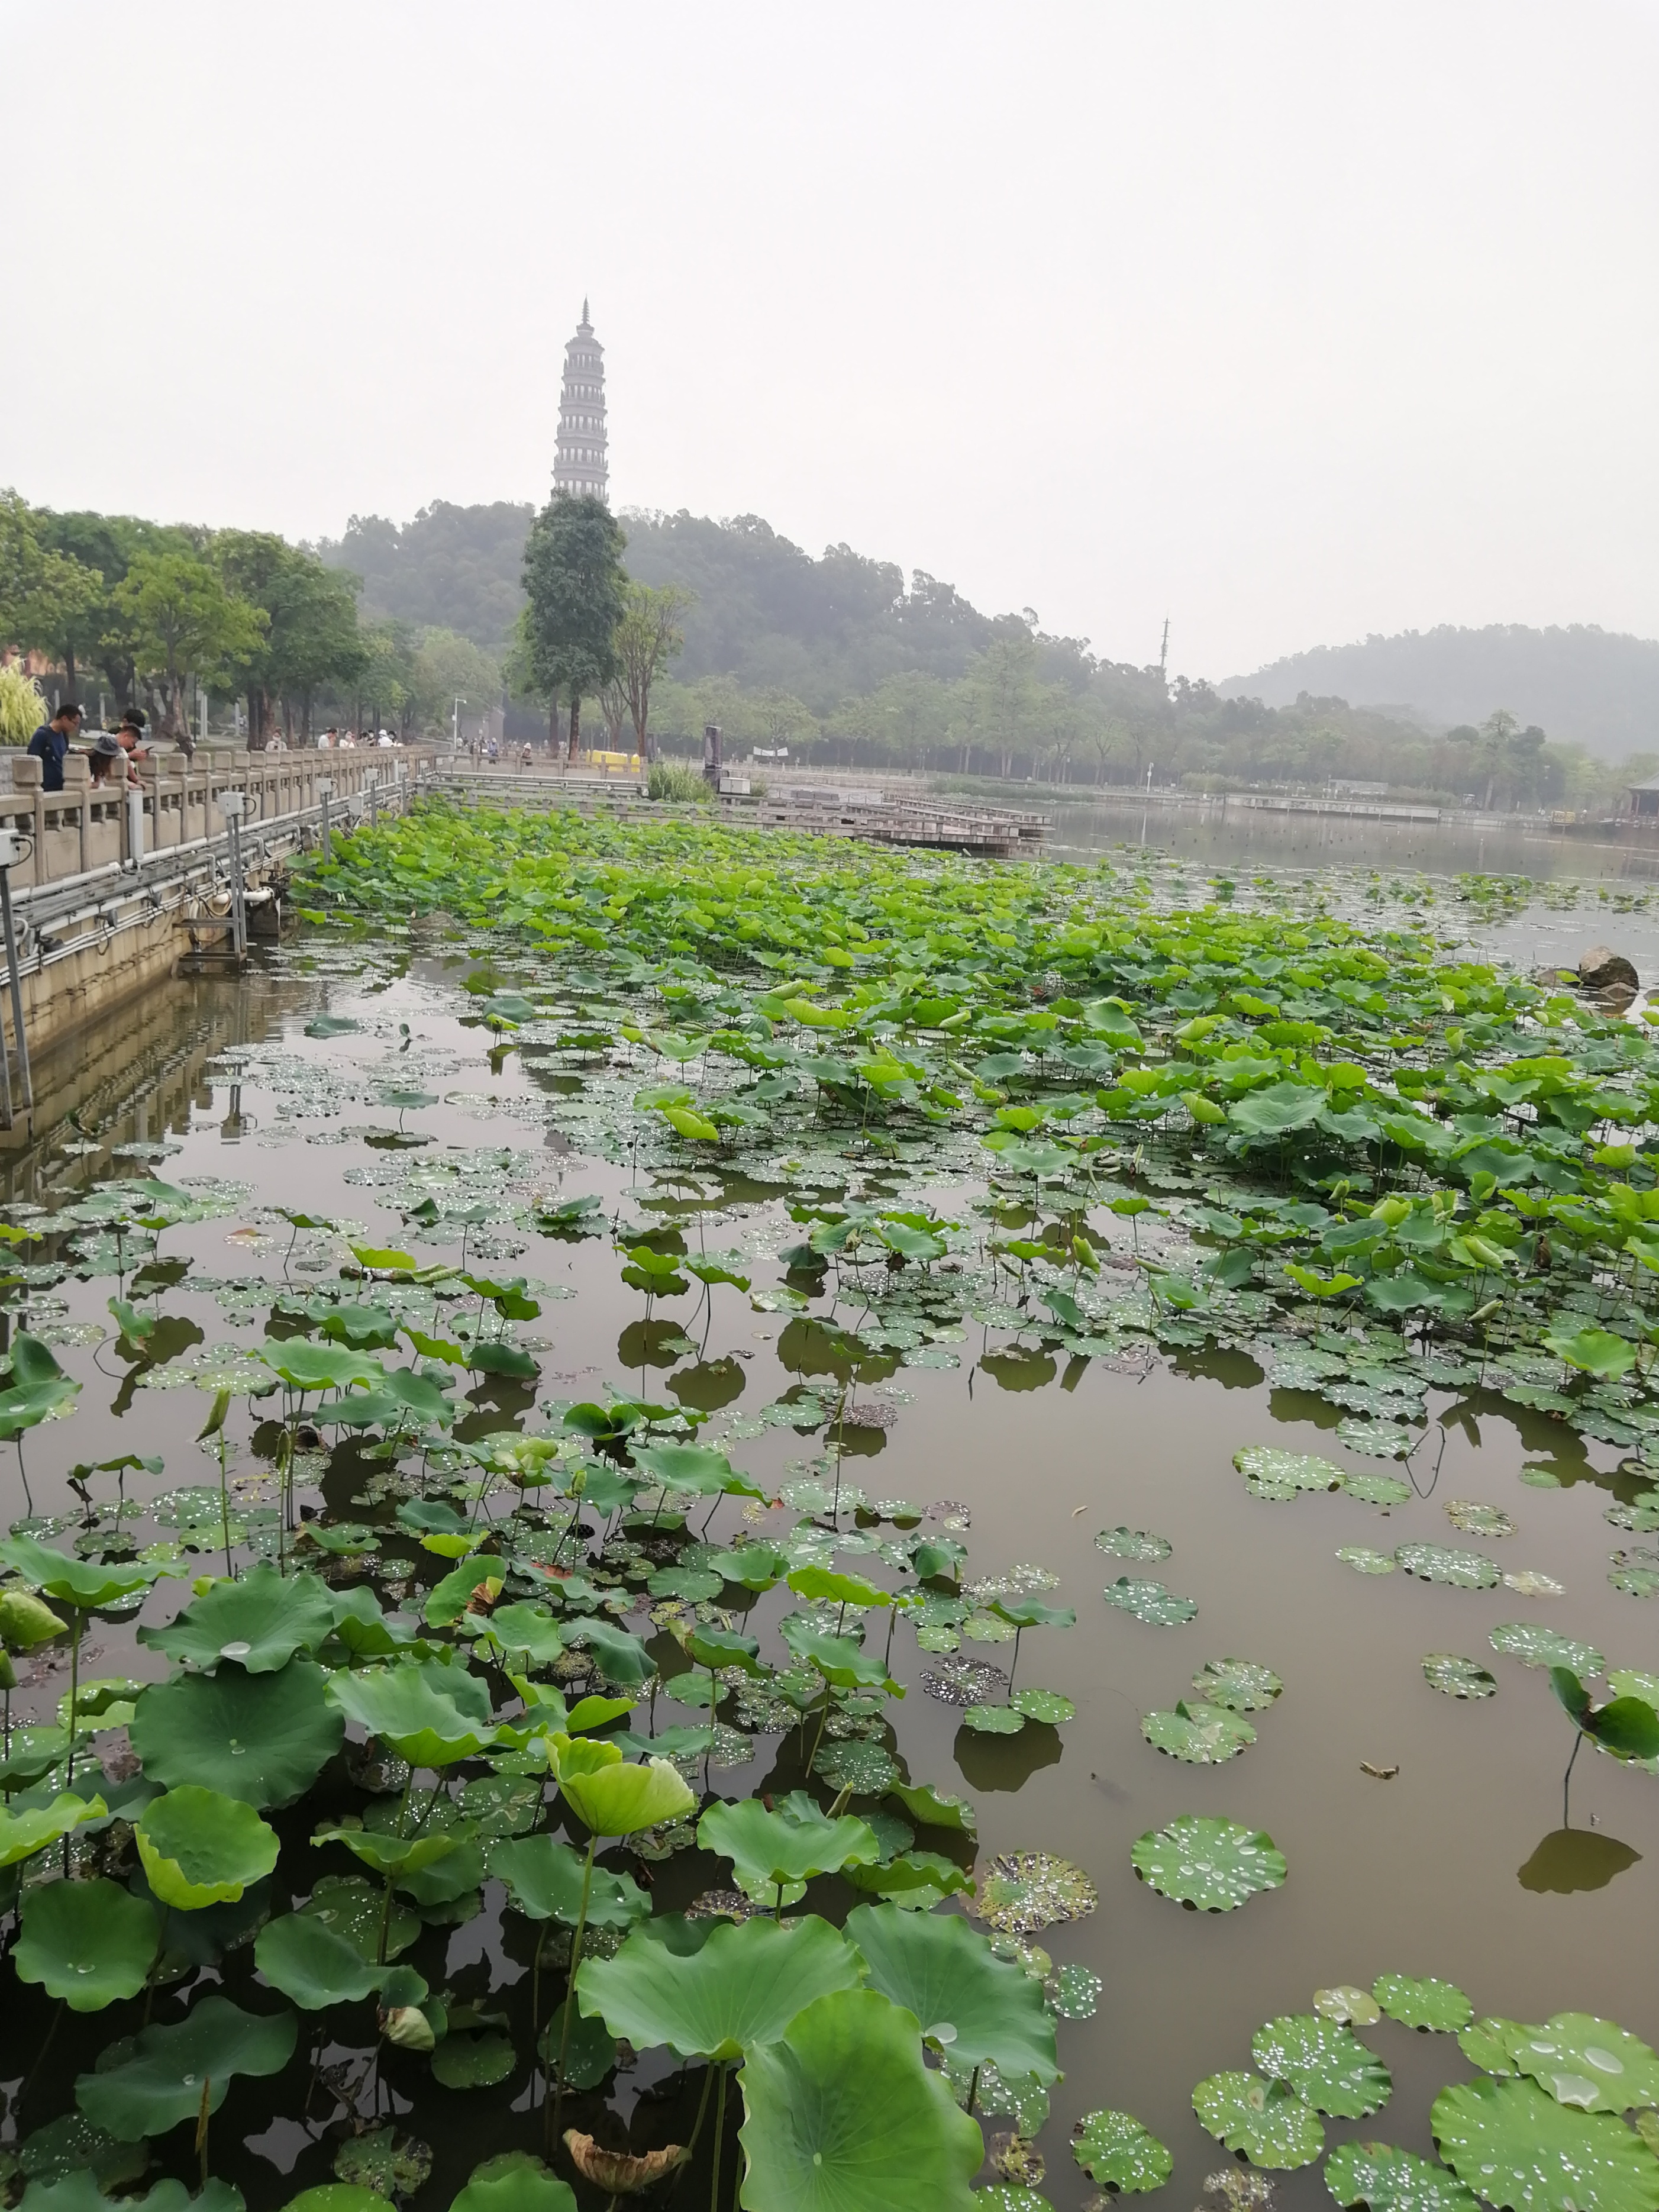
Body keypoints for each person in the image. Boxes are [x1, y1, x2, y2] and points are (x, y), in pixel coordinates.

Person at [28, 701, 82, 792]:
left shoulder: (64, 736)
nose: (75, 727)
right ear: (65, 718)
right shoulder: (42, 735)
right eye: (75, 723)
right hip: (45, 789)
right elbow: (31, 762)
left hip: (61, 788)